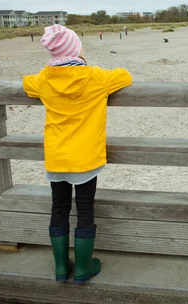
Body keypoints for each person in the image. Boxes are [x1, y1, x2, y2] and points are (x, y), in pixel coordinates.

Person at [22, 25, 132, 283]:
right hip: (85, 157)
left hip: (57, 156)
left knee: (59, 206)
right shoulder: (95, 77)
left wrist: (47, 72)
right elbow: (125, 76)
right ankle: (83, 268)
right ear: (75, 50)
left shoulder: (44, 78)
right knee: (85, 209)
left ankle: (61, 267)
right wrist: (86, 64)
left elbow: (27, 84)